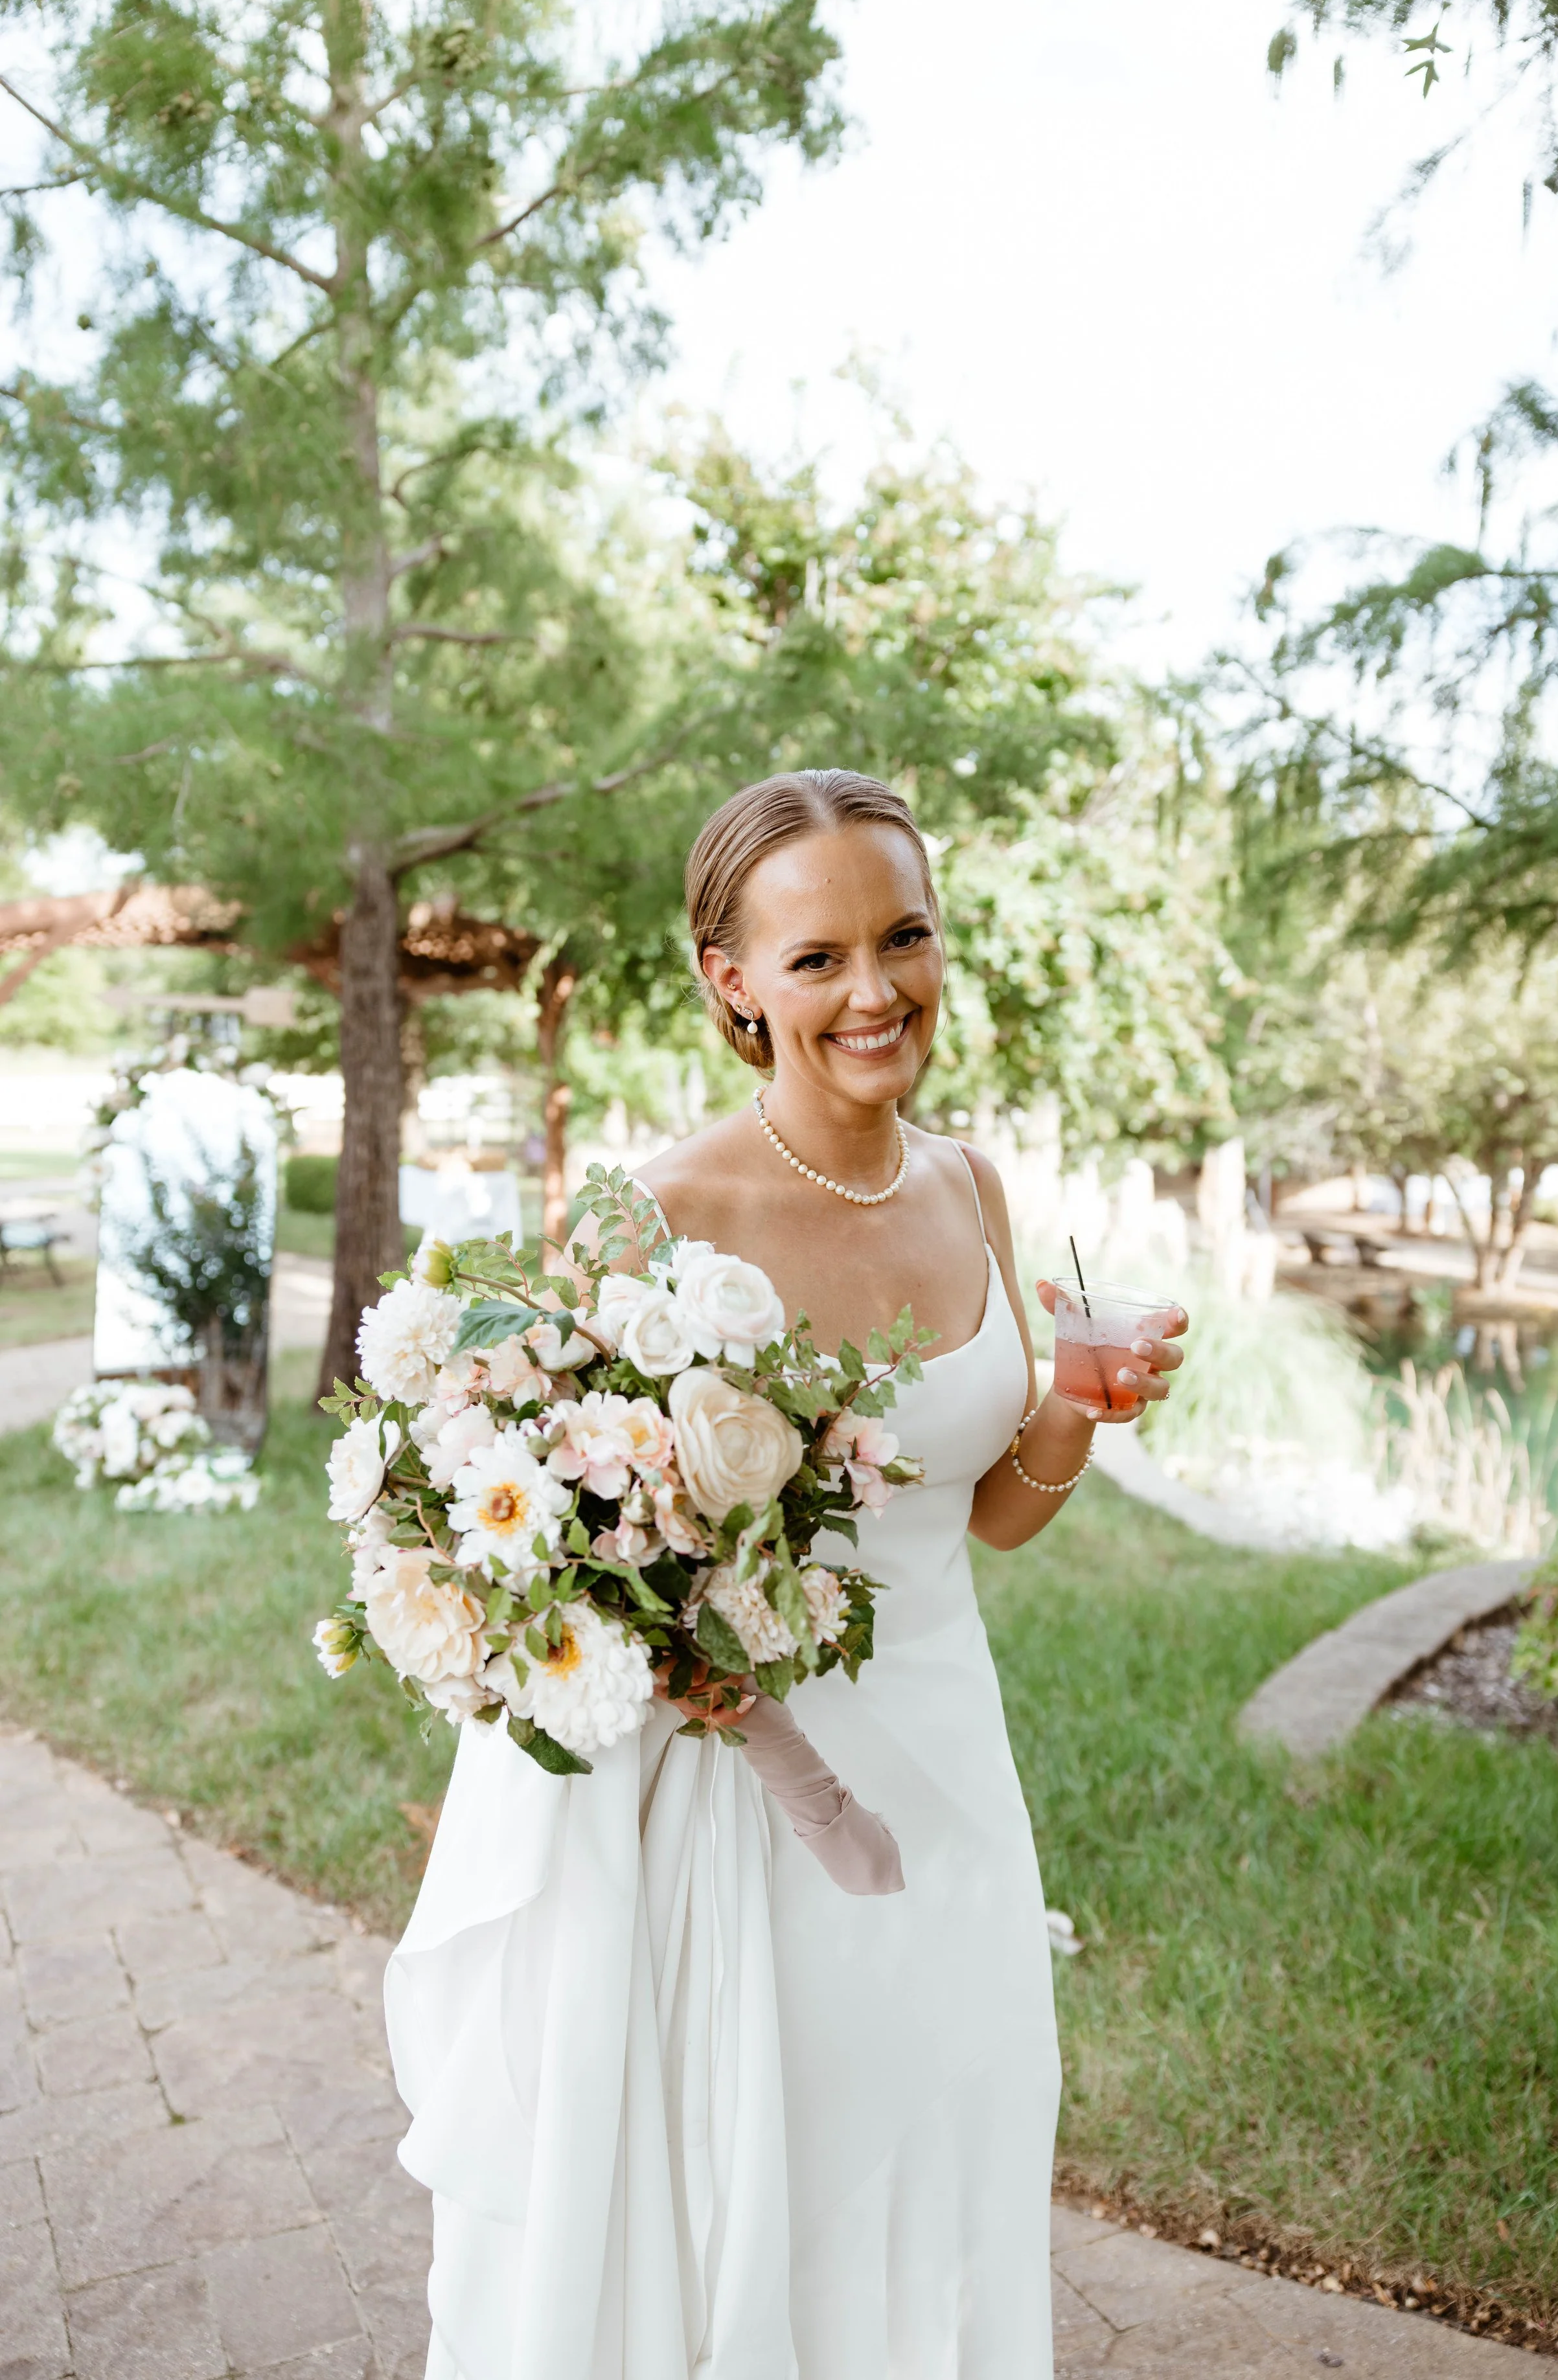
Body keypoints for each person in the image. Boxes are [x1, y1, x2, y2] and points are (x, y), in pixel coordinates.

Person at [385, 769, 1187, 2380]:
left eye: (904, 937)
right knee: (767, 2196)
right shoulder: (650, 1213)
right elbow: (563, 1546)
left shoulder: (967, 1184)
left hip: (948, 1757)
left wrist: (1067, 1412)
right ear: (730, 982)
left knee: (944, 2138)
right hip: (737, 1810)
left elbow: (985, 1518)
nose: (874, 990)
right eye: (815, 956)